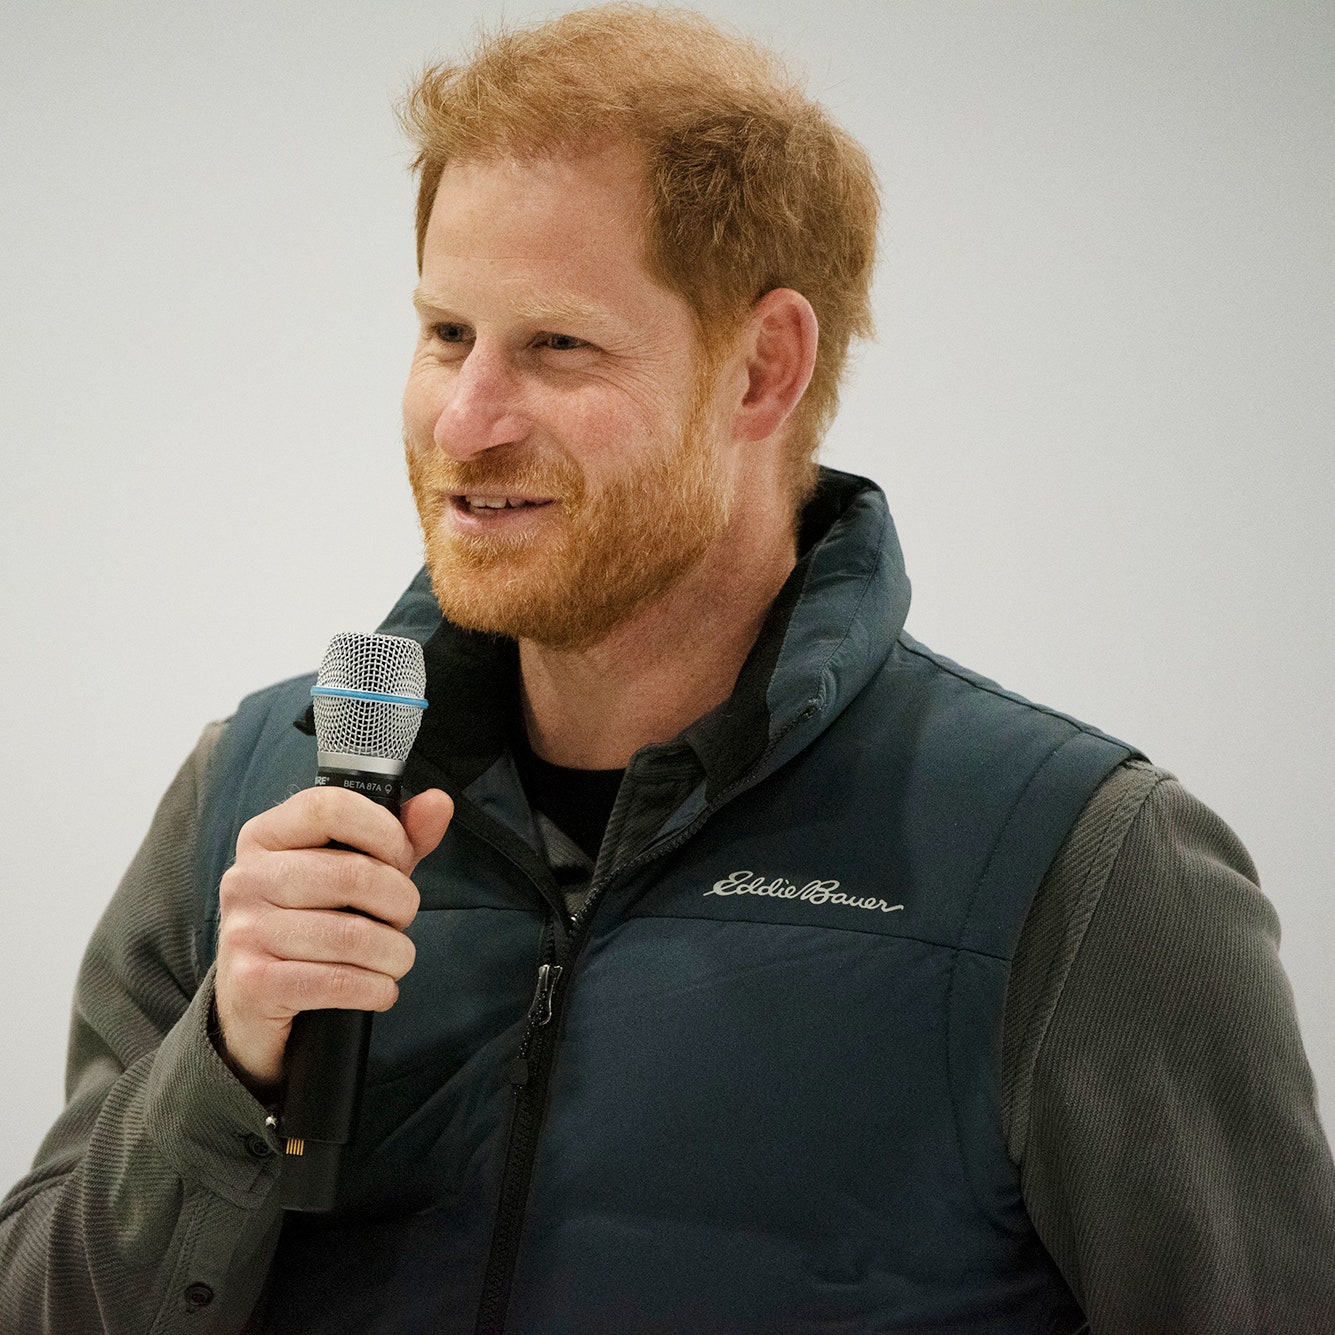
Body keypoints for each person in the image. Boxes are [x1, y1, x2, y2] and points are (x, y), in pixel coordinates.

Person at [3, 5, 1333, 1332]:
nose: (466, 421)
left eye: (557, 347)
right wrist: (226, 1072)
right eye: (448, 334)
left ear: (764, 368)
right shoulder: (254, 805)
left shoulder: (1077, 868)